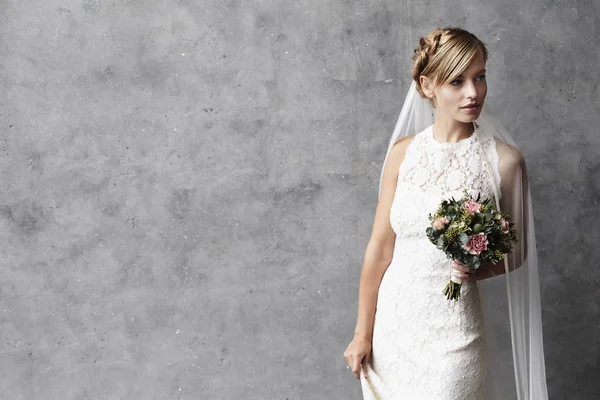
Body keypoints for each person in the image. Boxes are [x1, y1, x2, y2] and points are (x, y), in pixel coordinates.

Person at [343, 27, 548, 399]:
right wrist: (362, 333)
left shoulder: (505, 162)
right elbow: (380, 249)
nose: (473, 92)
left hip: (456, 335)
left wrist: (477, 270)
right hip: (393, 329)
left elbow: (516, 252)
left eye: (480, 77)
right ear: (427, 86)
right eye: (457, 81)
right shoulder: (402, 155)